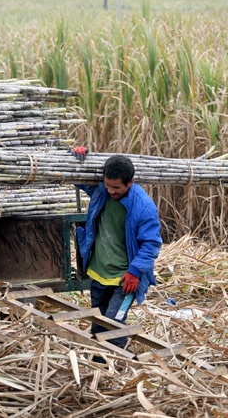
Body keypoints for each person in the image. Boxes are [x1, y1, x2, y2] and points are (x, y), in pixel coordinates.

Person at [71, 148, 162, 351]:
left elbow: (151, 244)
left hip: (126, 280)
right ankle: (99, 365)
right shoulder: (101, 191)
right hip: (99, 273)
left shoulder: (143, 207)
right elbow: (75, 177)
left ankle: (115, 366)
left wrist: (135, 271)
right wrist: (77, 156)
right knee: (98, 325)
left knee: (115, 325)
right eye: (108, 185)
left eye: (116, 188)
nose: (111, 191)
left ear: (130, 182)